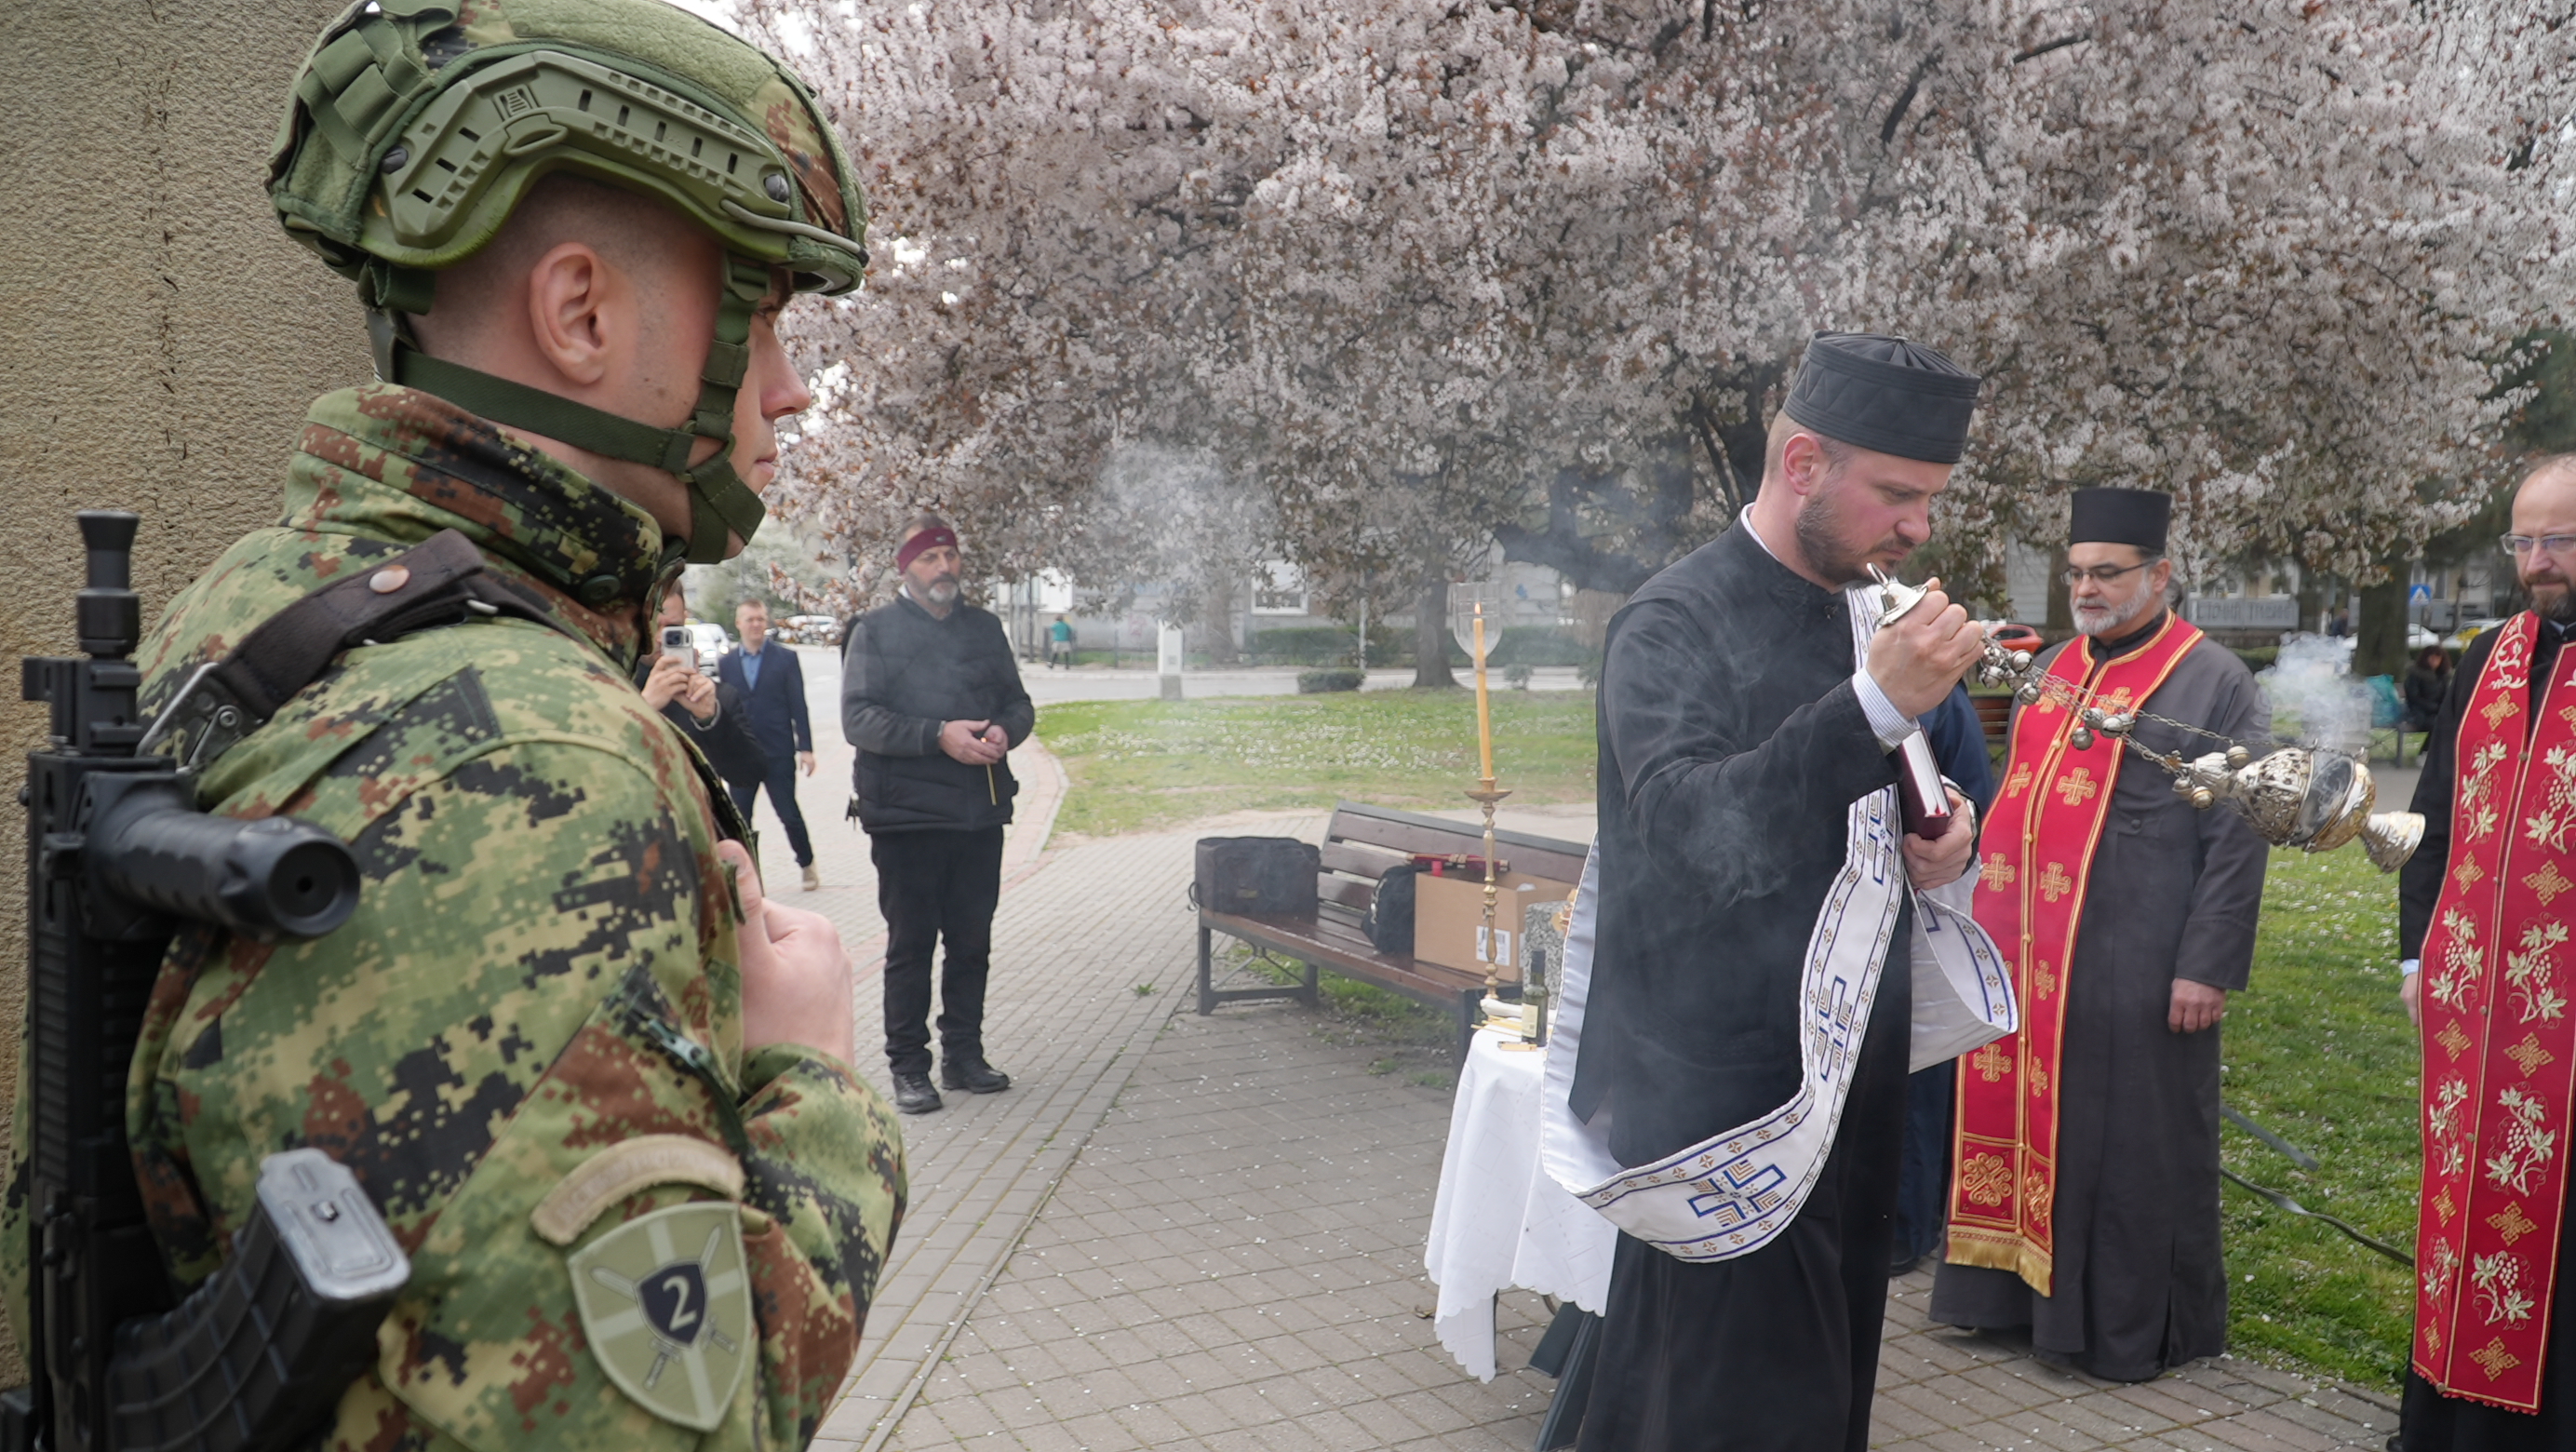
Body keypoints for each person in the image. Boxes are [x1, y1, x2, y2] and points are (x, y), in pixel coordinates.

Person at [0, 3, 907, 1445]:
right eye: (767, 316)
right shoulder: (526, 764)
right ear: (582, 313)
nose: (791, 386)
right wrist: (813, 1079)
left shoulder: (275, 606)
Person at [1568, 331, 1990, 1452]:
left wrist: (1946, 839)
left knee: (1823, 1393)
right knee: (1719, 1408)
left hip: (1853, 1086)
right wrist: (1871, 707)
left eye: (1931, 501)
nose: (1917, 529)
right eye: (1897, 495)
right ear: (1801, 462)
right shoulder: (1669, 624)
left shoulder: (1867, 611)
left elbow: (1889, 805)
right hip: (1724, 1101)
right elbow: (1689, 839)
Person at [1928, 488, 2269, 1382]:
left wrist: (2208, 965)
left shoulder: (2213, 678)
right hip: (2029, 952)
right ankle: (2007, 1303)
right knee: (2028, 1119)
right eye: (2075, 572)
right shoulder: (2056, 666)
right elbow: (2023, 795)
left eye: (2106, 573)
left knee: (2127, 1140)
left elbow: (2239, 836)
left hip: (2140, 952)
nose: (2086, 587)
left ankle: (2120, 1330)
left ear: (2160, 574)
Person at [2395, 454, 2576, 1450]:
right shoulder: (2487, 655)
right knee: (2462, 1214)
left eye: (2558, 541)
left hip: (2568, 1021)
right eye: (2523, 540)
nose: (2537, 562)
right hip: (2474, 1007)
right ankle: (2449, 1424)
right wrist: (2415, 952)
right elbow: (2432, 812)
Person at [844, 514, 1035, 1114]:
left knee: (972, 942)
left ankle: (964, 1056)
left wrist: (1005, 730)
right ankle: (908, 1067)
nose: (944, 568)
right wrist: (938, 736)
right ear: (906, 568)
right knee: (911, 945)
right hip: (907, 818)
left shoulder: (983, 628)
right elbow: (859, 719)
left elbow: (1018, 702)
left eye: (950, 555)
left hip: (979, 811)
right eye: (929, 558)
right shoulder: (873, 631)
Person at [1891, 684, 2002, 1275]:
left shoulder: (1936, 695)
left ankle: (1906, 1227)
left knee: (1911, 1076)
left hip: (1913, 909)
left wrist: (1956, 831)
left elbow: (1974, 801)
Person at [721, 598, 821, 891]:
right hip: (741, 755)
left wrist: (806, 748)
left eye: (760, 619)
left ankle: (807, 863)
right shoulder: (727, 663)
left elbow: (797, 705)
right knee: (738, 819)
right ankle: (748, 878)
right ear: (738, 623)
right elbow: (724, 709)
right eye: (749, 619)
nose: (755, 625)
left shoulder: (785, 659)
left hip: (777, 752)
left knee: (788, 813)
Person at [642, 582, 771, 797]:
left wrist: (710, 719)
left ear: (685, 621)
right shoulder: (612, 688)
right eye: (654, 626)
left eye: (672, 627)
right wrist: (642, 709)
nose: (659, 638)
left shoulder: (716, 697)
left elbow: (749, 774)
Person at [2404, 643, 2452, 733]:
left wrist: (2442, 707)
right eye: (2432, 658)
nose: (2434, 662)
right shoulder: (2416, 674)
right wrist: (2431, 707)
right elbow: (2413, 696)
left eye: (2437, 659)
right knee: (2432, 724)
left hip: (2437, 710)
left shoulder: (2443, 676)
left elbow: (2446, 695)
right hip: (2419, 710)